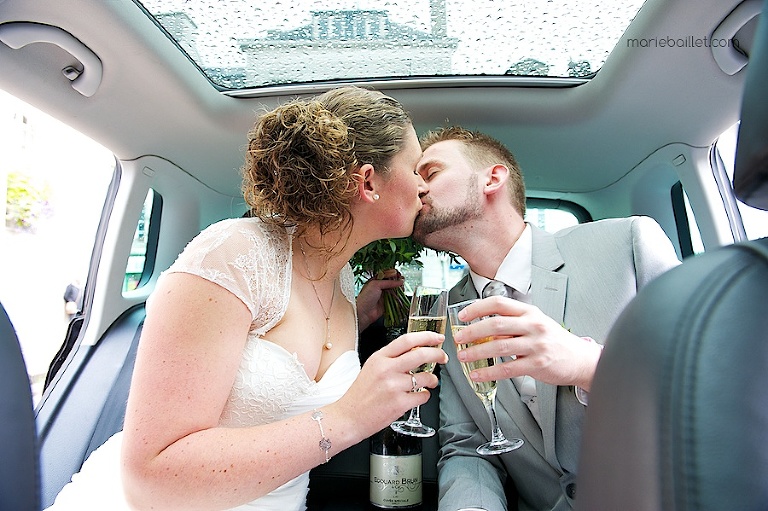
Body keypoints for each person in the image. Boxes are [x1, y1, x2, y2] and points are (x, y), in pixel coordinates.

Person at [46, 86, 447, 511]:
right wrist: (348, 417)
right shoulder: (234, 254)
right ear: (367, 181)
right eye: (415, 169)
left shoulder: (342, 280)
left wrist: (361, 318)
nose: (424, 187)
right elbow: (152, 477)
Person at [411, 126, 681, 511]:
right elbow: (467, 448)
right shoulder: (446, 313)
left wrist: (589, 365)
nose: (416, 187)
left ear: (492, 178)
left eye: (431, 172)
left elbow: (710, 385)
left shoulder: (627, 246)